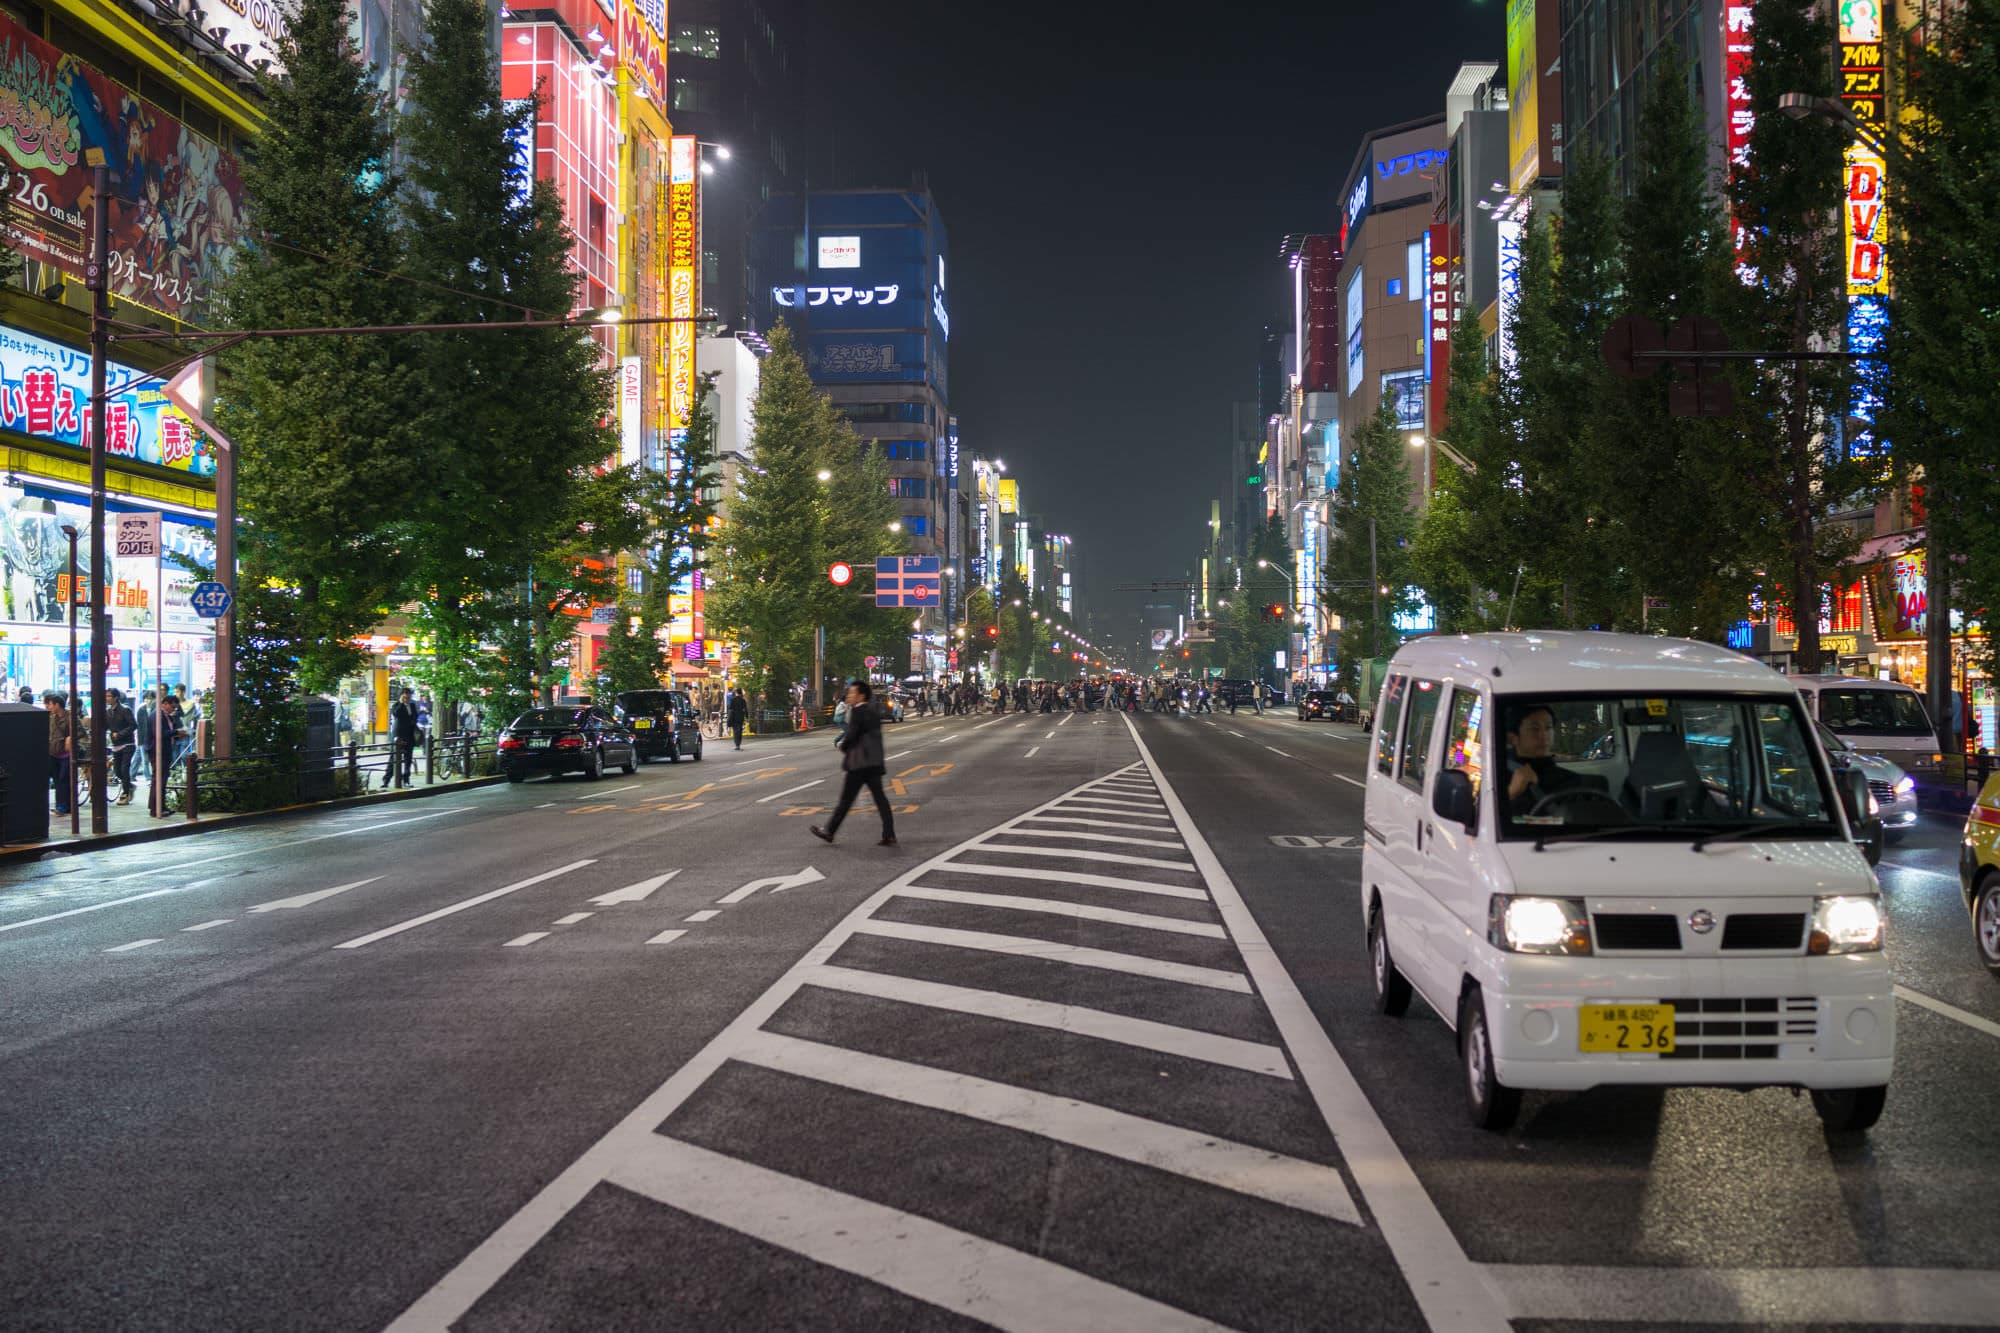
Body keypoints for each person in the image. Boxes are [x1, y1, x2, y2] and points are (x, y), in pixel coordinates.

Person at [811, 678, 896, 847]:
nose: (849, 695)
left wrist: (844, 746)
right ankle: (889, 833)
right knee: (880, 799)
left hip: (859, 763)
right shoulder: (874, 710)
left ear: (861, 696)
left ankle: (829, 831)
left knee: (846, 800)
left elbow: (852, 734)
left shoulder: (858, 711)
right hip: (874, 762)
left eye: (852, 693)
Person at [1504, 704, 1590, 814]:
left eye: (1548, 728)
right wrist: (1512, 792)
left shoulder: (1571, 780)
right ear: (1513, 738)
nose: (1544, 735)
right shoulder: (1498, 776)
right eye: (1534, 729)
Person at [104, 688, 137, 805]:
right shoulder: (107, 712)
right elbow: (106, 726)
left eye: (109, 696)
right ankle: (129, 786)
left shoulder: (125, 710)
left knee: (124, 769)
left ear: (116, 698)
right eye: (106, 696)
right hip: (115, 744)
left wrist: (120, 733)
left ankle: (125, 794)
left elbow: (133, 725)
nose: (106, 698)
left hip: (128, 744)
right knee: (117, 771)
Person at [44, 691, 70, 815]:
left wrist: (69, 738)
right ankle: (61, 805)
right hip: (53, 753)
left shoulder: (70, 717)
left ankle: (63, 806)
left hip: (66, 754)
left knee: (64, 780)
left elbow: (81, 733)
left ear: (57, 705)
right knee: (57, 781)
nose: (49, 707)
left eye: (50, 704)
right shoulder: (51, 718)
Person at [389, 688, 421, 786]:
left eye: (408, 695)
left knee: (408, 759)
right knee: (393, 758)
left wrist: (412, 721)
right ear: (401, 695)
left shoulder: (412, 705)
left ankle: (406, 780)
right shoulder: (396, 705)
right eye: (405, 695)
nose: (407, 697)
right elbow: (396, 714)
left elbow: (415, 717)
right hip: (398, 736)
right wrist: (401, 703)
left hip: (409, 735)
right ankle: (386, 780)